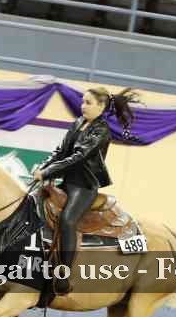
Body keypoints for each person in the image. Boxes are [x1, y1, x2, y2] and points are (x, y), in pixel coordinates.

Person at [32, 87, 141, 295]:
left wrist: (47, 172)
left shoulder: (101, 131)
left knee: (67, 220)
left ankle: (63, 276)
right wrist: (43, 167)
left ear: (101, 106)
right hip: (67, 183)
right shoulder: (78, 123)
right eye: (83, 101)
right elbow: (60, 151)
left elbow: (78, 157)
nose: (83, 106)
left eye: (88, 103)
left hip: (84, 187)